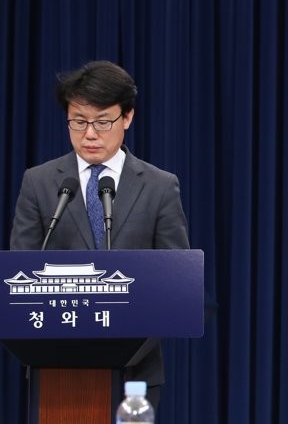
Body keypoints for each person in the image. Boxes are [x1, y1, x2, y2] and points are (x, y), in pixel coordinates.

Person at [9, 60, 190, 403]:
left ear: (127, 117)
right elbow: (19, 273)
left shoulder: (160, 186)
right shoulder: (39, 182)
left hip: (135, 373)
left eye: (102, 122)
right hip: (55, 367)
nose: (90, 134)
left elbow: (176, 281)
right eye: (78, 121)